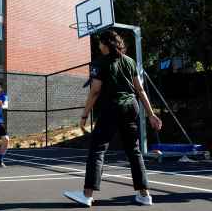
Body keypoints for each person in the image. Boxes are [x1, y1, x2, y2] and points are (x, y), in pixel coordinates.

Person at [64, 31, 162, 207]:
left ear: (106, 44)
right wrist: (151, 114)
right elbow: (140, 90)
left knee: (97, 149)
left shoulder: (99, 63)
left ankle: (87, 195)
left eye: (100, 43)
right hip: (131, 107)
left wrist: (84, 115)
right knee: (134, 150)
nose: (98, 46)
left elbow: (95, 91)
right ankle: (145, 195)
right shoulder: (130, 61)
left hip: (112, 107)